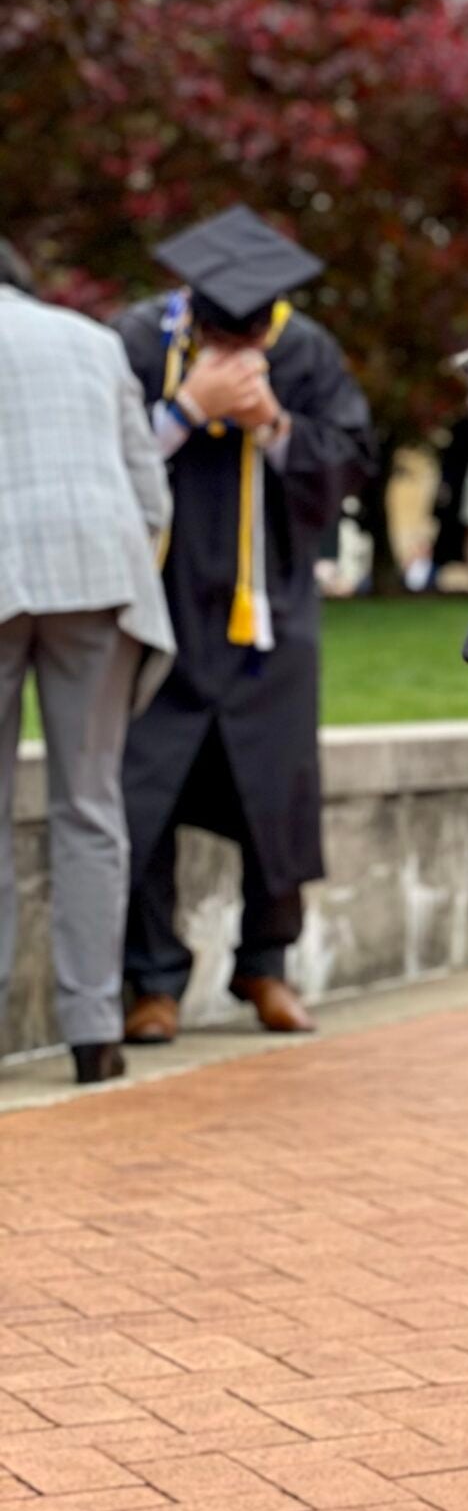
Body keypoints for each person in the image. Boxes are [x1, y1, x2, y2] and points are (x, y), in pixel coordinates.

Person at [115, 208, 376, 1045]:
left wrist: (274, 423)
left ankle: (267, 966)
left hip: (270, 620)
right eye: (226, 330)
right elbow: (101, 459)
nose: (243, 342)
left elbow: (349, 462)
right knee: (141, 799)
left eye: (254, 330)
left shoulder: (305, 352)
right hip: (161, 613)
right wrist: (185, 408)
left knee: (279, 792)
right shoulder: (137, 342)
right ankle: (151, 983)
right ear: (191, 306)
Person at [0, 242, 175, 1083]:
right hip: (101, 575)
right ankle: (93, 1030)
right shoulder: (93, 341)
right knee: (90, 802)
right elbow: (153, 495)